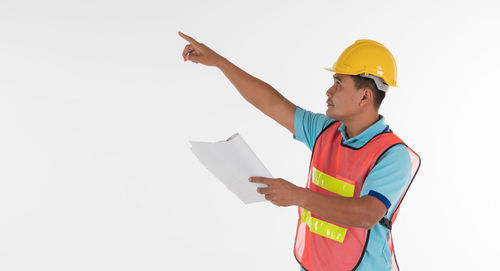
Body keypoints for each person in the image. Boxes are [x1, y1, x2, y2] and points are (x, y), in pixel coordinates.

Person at [179, 32, 420, 271]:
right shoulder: (325, 132)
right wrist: (219, 62)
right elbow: (271, 103)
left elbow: (367, 214)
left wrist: (297, 195)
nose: (329, 92)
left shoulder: (392, 155)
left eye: (338, 83)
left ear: (365, 96)